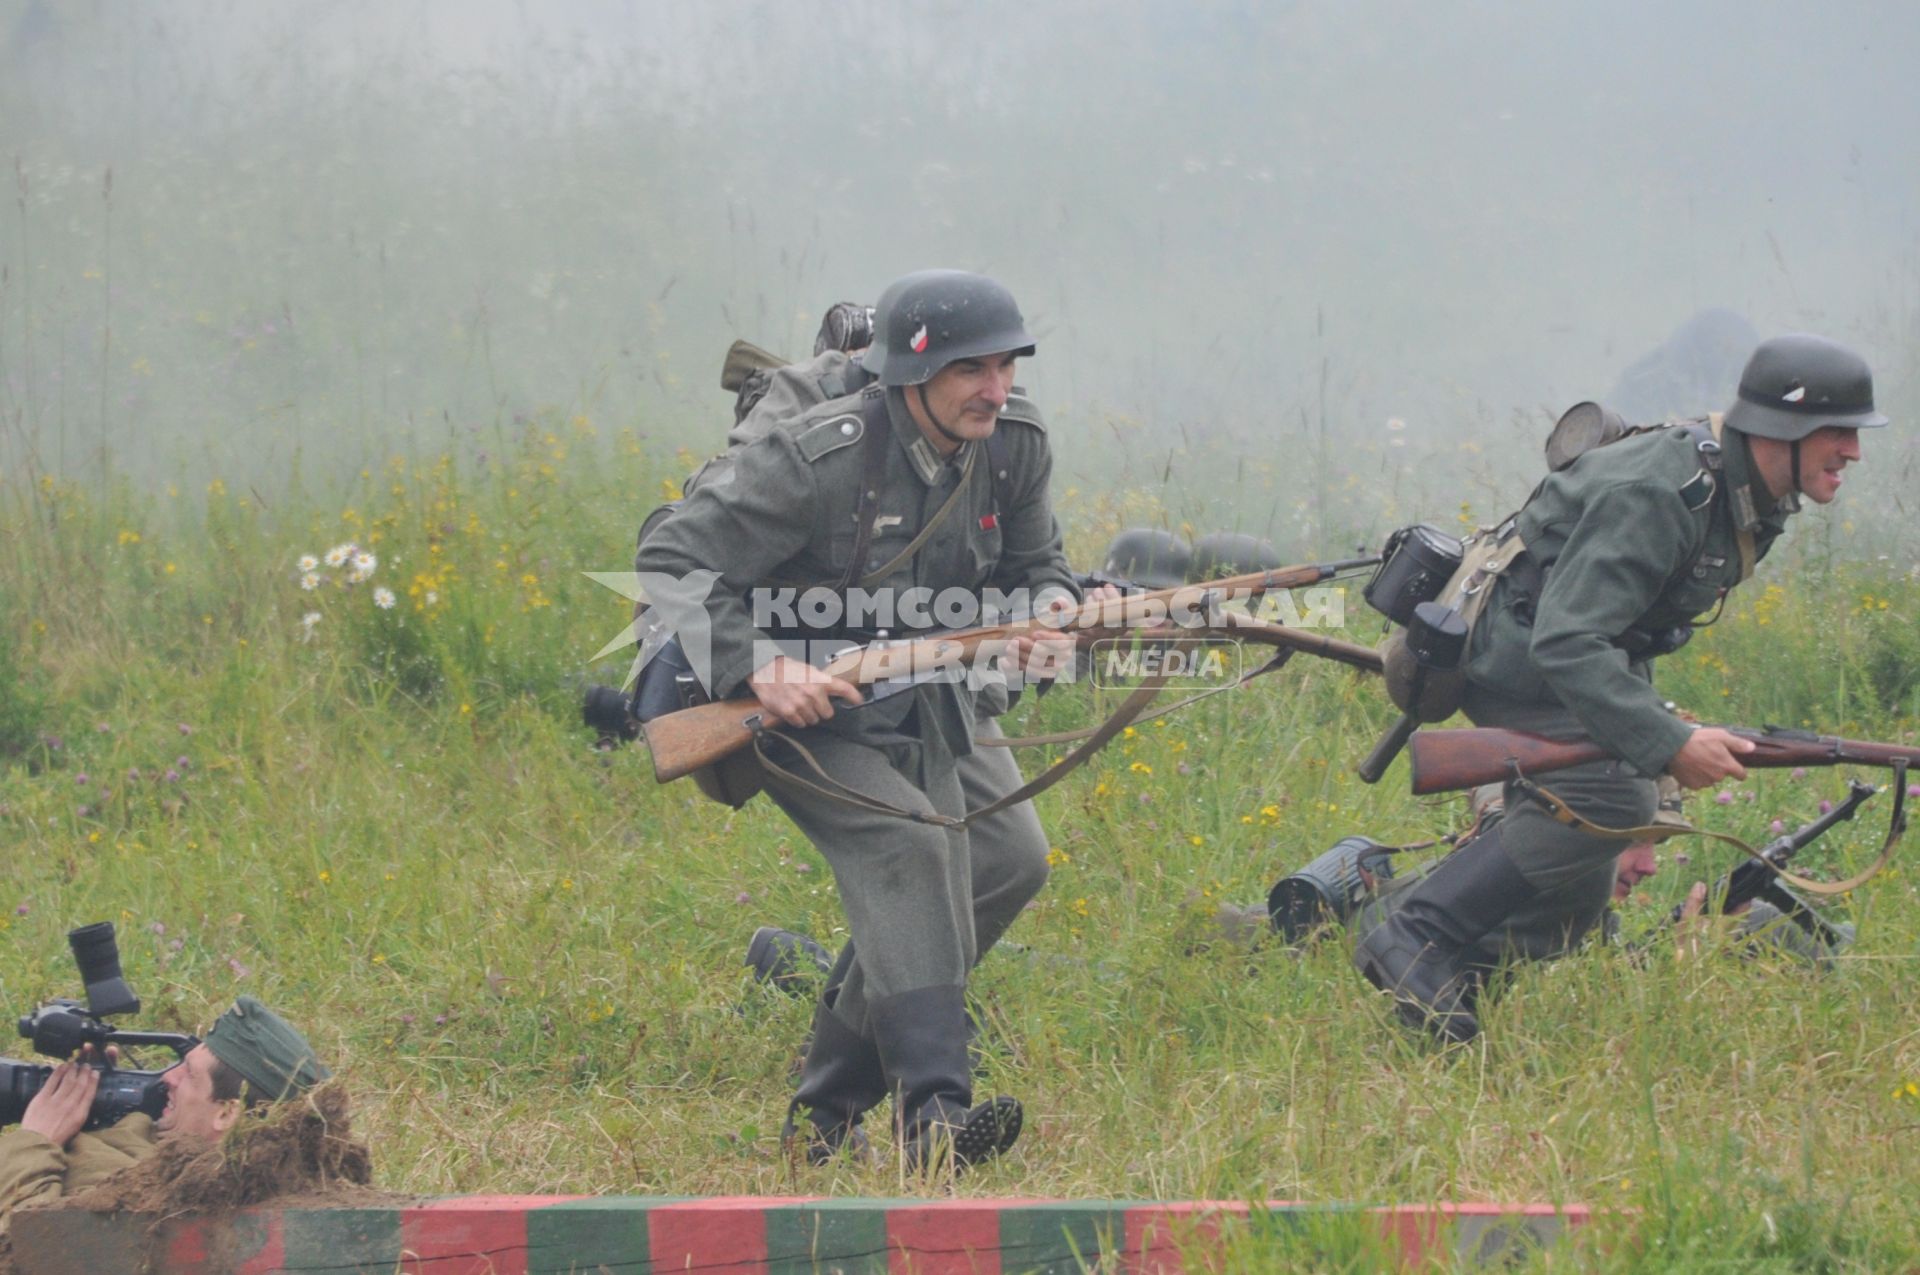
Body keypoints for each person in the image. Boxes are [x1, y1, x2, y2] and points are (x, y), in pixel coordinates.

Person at [636, 269, 1099, 1170]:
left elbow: (1040, 563)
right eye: (972, 370)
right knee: (910, 844)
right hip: (794, 703)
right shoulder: (822, 456)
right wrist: (758, 666)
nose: (994, 390)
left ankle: (826, 1113)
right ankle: (937, 1117)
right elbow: (669, 556)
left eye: (1005, 366)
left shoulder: (1015, 444)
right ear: (908, 374)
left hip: (929, 690)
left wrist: (1047, 617)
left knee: (1009, 859)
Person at [1353, 332, 1887, 1044]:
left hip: (1568, 655)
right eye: (1838, 432)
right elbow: (1568, 640)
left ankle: (1451, 975)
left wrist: (1658, 726)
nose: (1853, 451)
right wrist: (1666, 742)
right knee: (1612, 793)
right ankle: (1415, 933)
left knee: (1586, 866)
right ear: (1783, 431)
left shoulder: (1750, 496)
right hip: (1515, 655)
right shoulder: (1662, 492)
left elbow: (1630, 623)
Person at [0, 996, 328, 1235]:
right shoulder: (281, 1181)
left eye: (189, 1075)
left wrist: (37, 1139)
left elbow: (23, 1247)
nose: (168, 1078)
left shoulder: (151, 1193)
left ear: (227, 1113)